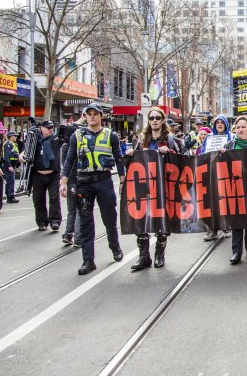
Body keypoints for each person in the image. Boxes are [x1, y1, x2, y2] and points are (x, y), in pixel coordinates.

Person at [60, 103, 126, 276]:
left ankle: (115, 246)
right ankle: (88, 260)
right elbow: (69, 159)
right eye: (88, 114)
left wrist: (122, 180)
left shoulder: (110, 135)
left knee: (109, 218)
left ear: (101, 116)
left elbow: (119, 158)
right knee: (86, 222)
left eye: (95, 114)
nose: (91, 117)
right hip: (84, 182)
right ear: (85, 116)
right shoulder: (77, 135)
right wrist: (64, 182)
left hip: (104, 181)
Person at [126, 107, 179, 270]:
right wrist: (130, 154)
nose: (154, 120)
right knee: (141, 221)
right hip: (144, 186)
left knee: (161, 222)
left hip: (163, 187)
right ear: (148, 121)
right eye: (152, 118)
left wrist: (168, 151)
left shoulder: (169, 138)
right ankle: (143, 257)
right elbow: (134, 160)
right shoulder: (142, 140)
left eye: (157, 118)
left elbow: (180, 159)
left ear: (163, 120)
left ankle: (159, 255)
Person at [219, 116, 247, 264]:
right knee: (237, 220)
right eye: (238, 127)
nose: (240, 129)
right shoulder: (229, 146)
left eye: (243, 127)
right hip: (235, 189)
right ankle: (236, 252)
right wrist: (221, 155)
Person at [20, 120, 63, 232]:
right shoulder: (34, 140)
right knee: (38, 200)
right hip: (37, 174)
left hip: (53, 173)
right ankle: (42, 222)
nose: (51, 130)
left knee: (54, 198)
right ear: (42, 129)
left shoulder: (56, 139)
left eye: (52, 128)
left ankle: (55, 221)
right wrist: (22, 155)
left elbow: (68, 134)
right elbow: (26, 150)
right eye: (48, 128)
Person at [60, 120, 83, 248]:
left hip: (69, 181)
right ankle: (78, 238)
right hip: (78, 180)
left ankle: (68, 234)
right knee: (80, 210)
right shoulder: (77, 146)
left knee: (71, 209)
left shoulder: (64, 146)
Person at [1, 132, 21, 203]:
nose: (16, 137)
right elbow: (6, 156)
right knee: (11, 182)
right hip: (8, 166)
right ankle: (10, 197)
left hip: (13, 165)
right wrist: (9, 165)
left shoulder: (13, 144)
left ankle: (10, 196)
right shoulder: (7, 144)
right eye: (14, 136)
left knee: (10, 181)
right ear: (10, 136)